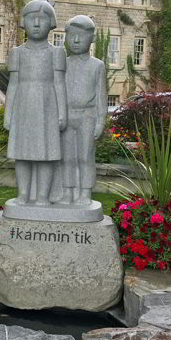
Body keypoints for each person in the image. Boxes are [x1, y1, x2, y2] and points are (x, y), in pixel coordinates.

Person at [4, 0, 67, 206]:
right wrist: (8, 113)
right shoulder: (17, 52)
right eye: (32, 19)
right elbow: (12, 84)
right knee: (22, 153)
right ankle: (23, 194)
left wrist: (62, 113)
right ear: (24, 22)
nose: (37, 24)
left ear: (51, 23)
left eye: (43, 19)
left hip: (48, 106)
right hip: (23, 106)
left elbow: (59, 84)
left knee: (46, 153)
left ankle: (41, 196)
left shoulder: (57, 53)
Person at [57, 15, 107, 206]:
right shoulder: (63, 64)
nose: (76, 41)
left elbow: (101, 96)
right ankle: (68, 192)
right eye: (72, 36)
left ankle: (85, 192)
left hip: (87, 116)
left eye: (81, 36)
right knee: (67, 157)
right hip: (68, 115)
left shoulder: (97, 65)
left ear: (91, 38)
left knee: (84, 157)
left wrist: (101, 121)